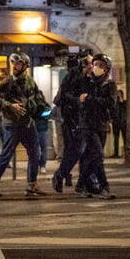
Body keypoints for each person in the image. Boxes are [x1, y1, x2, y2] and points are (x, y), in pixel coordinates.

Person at [0, 52, 48, 197]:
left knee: (35, 152)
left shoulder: (30, 81)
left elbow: (38, 98)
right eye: (13, 63)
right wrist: (10, 105)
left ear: (25, 65)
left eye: (18, 63)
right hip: (12, 123)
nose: (15, 66)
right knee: (7, 153)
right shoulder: (6, 82)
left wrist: (44, 109)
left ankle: (32, 184)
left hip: (27, 123)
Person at [75, 54, 117, 199]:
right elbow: (80, 99)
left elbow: (110, 103)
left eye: (100, 65)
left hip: (102, 125)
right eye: (95, 64)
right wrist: (86, 100)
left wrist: (90, 99)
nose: (97, 67)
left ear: (106, 69)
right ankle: (104, 187)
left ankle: (81, 185)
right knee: (98, 155)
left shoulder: (109, 84)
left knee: (91, 156)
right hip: (88, 125)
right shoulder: (87, 82)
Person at [52, 50, 92, 193]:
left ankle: (83, 183)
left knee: (87, 152)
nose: (91, 66)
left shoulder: (90, 77)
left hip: (86, 119)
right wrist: (78, 101)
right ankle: (61, 174)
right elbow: (64, 96)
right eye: (88, 62)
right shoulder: (72, 77)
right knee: (76, 150)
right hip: (72, 119)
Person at [111, 89, 126, 158]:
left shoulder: (125, 102)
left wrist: (122, 102)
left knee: (125, 139)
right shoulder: (114, 103)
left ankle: (126, 153)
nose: (118, 95)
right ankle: (116, 153)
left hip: (123, 123)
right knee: (116, 139)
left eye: (119, 94)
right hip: (116, 123)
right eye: (117, 94)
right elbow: (112, 111)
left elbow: (126, 110)